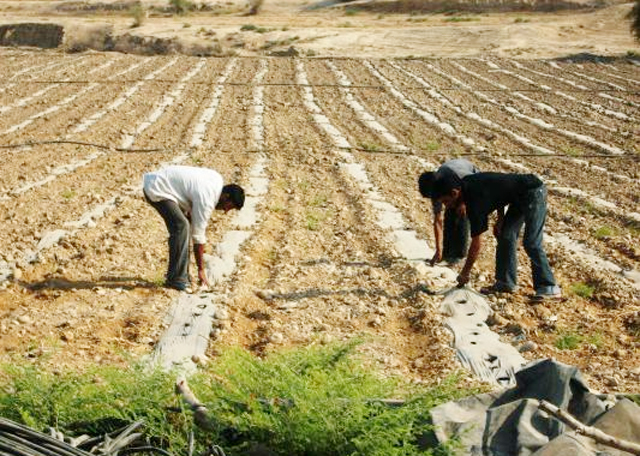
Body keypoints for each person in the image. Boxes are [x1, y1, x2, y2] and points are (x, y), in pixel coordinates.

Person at [431, 169, 562, 301]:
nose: (447, 206)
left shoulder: (474, 199)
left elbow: (477, 243)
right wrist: (500, 219)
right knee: (505, 234)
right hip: (517, 196)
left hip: (533, 191)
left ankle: (549, 287)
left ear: (455, 193)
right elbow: (497, 193)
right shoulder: (466, 184)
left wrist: (465, 273)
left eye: (446, 201)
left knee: (531, 241)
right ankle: (505, 283)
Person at [143, 165, 245, 291]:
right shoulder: (207, 200)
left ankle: (182, 275)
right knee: (181, 227)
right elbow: (198, 237)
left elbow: (192, 193)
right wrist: (201, 270)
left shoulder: (217, 180)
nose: (226, 210)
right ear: (226, 196)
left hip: (163, 182)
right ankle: (176, 280)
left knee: (184, 225)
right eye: (229, 206)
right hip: (158, 188)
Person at [418, 159, 479, 266]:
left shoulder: (460, 176)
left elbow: (475, 185)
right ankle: (447, 253)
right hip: (454, 186)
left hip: (473, 181)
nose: (436, 200)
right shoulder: (436, 190)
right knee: (450, 213)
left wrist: (464, 203)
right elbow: (438, 220)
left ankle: (459, 256)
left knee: (461, 213)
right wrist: (438, 248)